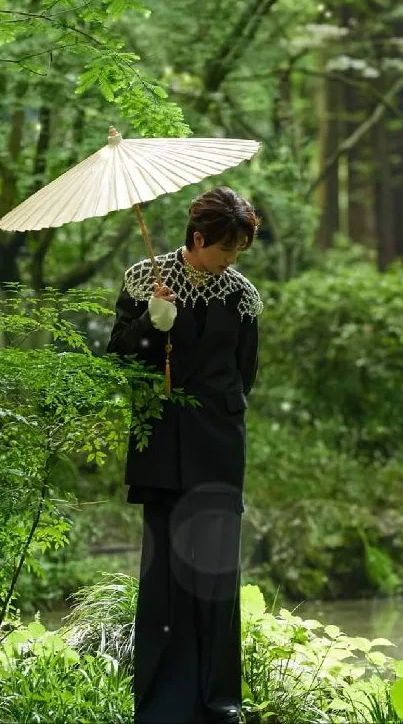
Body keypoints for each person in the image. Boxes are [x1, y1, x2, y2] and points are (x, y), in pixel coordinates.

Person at [106, 185, 263, 724]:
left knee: (216, 576)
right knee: (166, 577)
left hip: (218, 450)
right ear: (199, 238)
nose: (231, 261)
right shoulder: (143, 280)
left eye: (239, 251)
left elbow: (245, 375)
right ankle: (161, 707)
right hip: (163, 449)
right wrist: (153, 324)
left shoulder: (241, 295)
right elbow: (120, 362)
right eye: (225, 250)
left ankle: (220, 705)